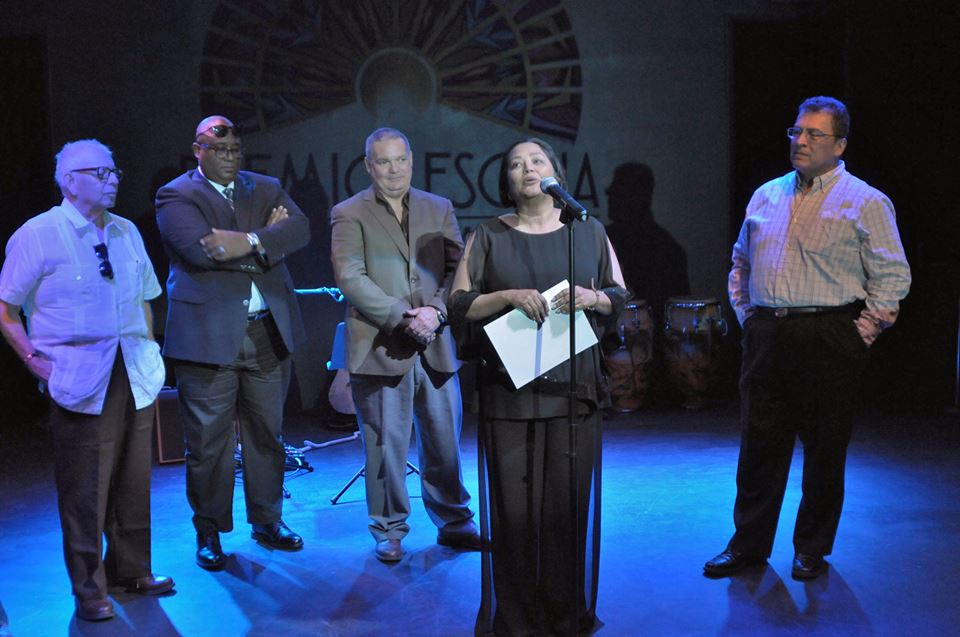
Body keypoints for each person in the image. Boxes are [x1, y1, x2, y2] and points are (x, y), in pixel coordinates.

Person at [704, 96, 911, 580]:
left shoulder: (866, 201)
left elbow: (892, 274)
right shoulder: (766, 194)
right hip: (768, 332)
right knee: (759, 447)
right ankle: (748, 544)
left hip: (828, 334)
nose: (801, 141)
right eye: (796, 131)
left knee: (824, 448)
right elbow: (741, 262)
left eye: (814, 134)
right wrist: (748, 316)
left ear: (839, 145)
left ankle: (811, 548)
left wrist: (864, 329)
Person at [449, 138, 628, 636]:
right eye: (515, 164)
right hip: (510, 390)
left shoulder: (587, 231)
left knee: (566, 511)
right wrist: (506, 296)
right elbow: (459, 303)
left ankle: (563, 614)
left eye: (537, 161)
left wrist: (592, 297)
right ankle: (518, 620)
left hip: (572, 390)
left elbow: (618, 295)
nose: (527, 169)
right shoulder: (487, 235)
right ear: (506, 180)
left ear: (556, 175)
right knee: (514, 515)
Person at [0, 139, 173, 622]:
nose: (112, 180)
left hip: (133, 367)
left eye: (114, 172)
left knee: (134, 479)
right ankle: (89, 588)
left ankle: (133, 569)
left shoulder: (126, 231)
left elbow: (146, 295)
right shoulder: (38, 234)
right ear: (69, 181)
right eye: (101, 173)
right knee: (84, 490)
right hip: (77, 373)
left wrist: (150, 346)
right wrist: (33, 360)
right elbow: (6, 308)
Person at [156, 116, 309, 570]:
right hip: (206, 338)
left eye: (235, 150)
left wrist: (246, 241)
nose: (229, 157)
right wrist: (267, 242)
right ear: (197, 150)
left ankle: (267, 520)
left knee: (267, 435)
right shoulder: (176, 195)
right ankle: (209, 529)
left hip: (266, 331)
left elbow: (299, 230)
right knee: (209, 443)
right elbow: (203, 252)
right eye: (218, 149)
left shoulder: (265, 187)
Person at [330, 127, 478, 562]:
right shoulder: (348, 212)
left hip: (436, 341)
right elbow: (350, 276)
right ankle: (389, 529)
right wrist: (401, 317)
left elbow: (459, 270)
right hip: (380, 344)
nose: (393, 170)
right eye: (383, 162)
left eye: (400, 160)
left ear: (411, 160)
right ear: (368, 166)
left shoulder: (440, 207)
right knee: (383, 446)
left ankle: (454, 520)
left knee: (444, 441)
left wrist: (436, 312)